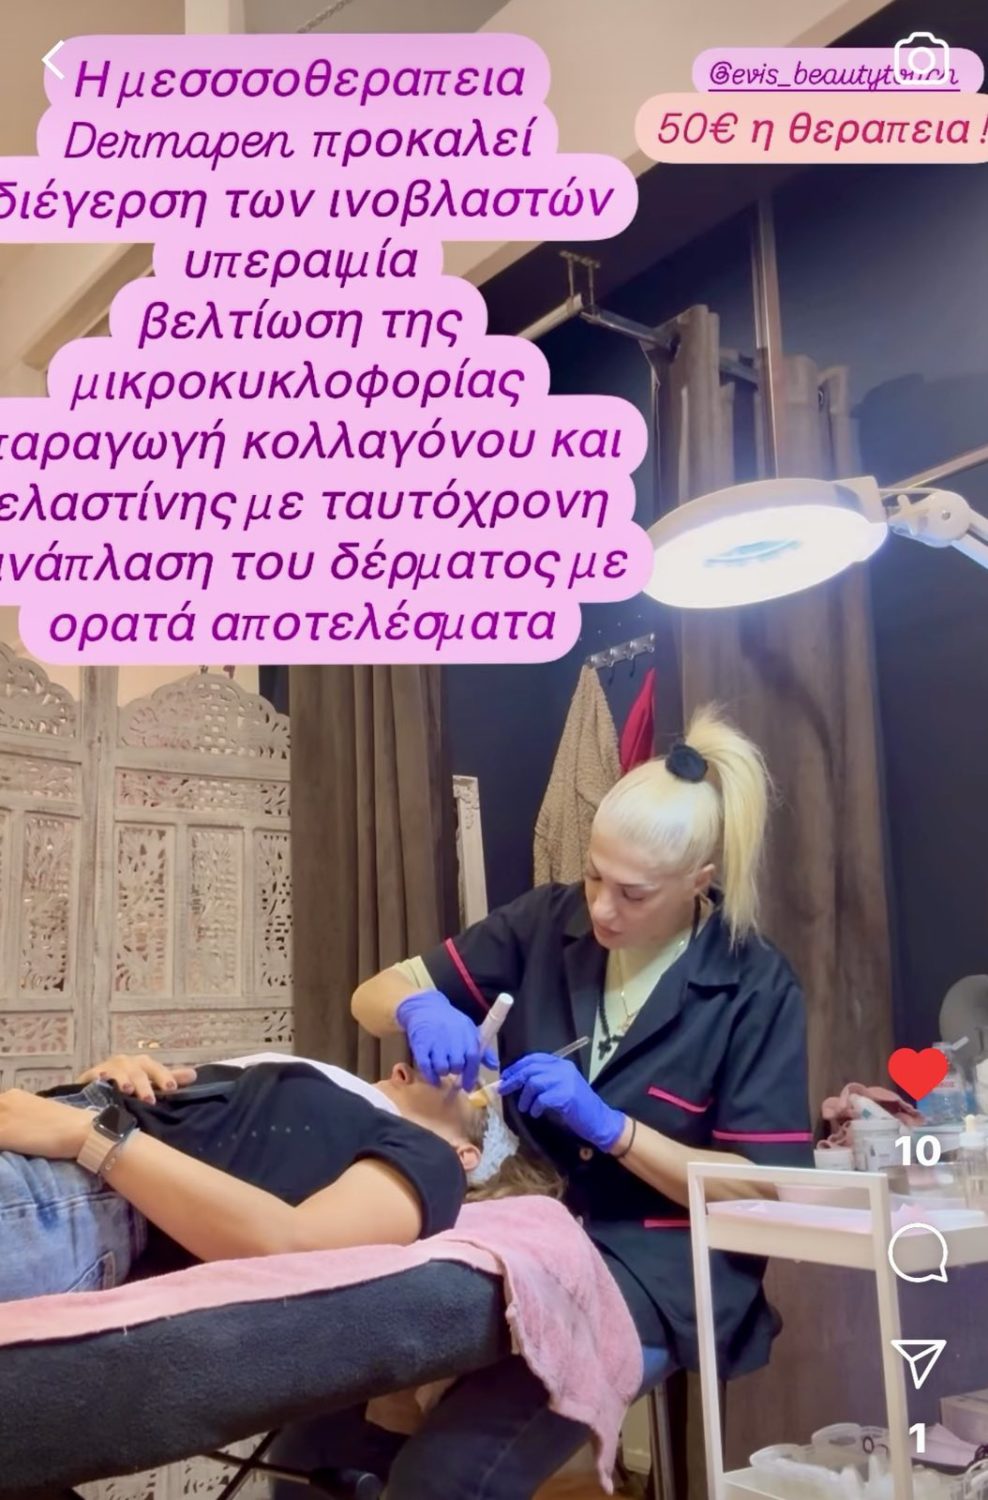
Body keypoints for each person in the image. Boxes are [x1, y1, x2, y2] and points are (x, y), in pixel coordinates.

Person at [337, 704, 813, 1499]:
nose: (601, 910)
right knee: (330, 1430)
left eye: (633, 893)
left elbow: (765, 1187)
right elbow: (370, 996)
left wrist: (617, 1131)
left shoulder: (752, 985)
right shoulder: (547, 921)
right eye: (595, 876)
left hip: (656, 1267)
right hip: (526, 1239)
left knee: (448, 1472)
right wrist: (418, 1007)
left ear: (699, 882)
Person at [0, 1050, 558, 1304]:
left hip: (74, 1195)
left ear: (467, 1153)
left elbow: (293, 1244)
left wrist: (95, 1135)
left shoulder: (433, 1162)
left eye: (460, 1083)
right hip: (42, 1135)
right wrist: (117, 1077)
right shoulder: (342, 1102)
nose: (410, 1063)